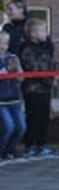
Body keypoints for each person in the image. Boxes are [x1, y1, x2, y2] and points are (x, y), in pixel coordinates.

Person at [20, 18, 55, 157]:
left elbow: (50, 65)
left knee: (44, 119)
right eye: (42, 30)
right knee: (33, 118)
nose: (45, 33)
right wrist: (46, 79)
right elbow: (32, 68)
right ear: (33, 33)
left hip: (45, 90)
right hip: (33, 90)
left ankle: (41, 145)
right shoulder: (27, 49)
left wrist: (51, 79)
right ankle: (29, 146)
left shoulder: (45, 48)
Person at [0, 31, 26, 161]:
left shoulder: (13, 57)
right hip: (1, 101)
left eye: (6, 42)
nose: (4, 46)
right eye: (1, 42)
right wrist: (5, 71)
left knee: (21, 127)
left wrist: (17, 69)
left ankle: (9, 151)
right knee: (9, 127)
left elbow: (21, 78)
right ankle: (2, 152)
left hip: (15, 99)